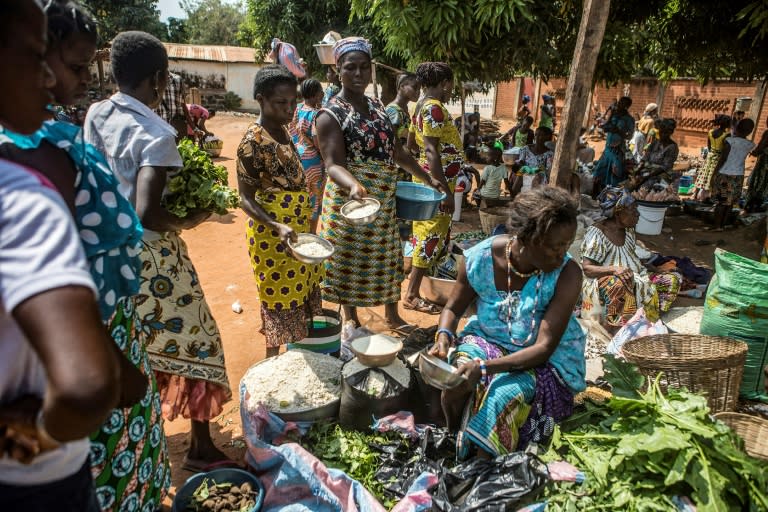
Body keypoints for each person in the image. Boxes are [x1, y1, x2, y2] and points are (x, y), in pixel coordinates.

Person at [0, 3, 170, 510]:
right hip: (48, 453)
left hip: (91, 333)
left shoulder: (58, 137)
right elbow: (87, 387)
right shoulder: (29, 174)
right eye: (48, 60)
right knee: (116, 469)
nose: (56, 79)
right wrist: (23, 442)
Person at [84, 31, 232, 471]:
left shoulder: (96, 114)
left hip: (104, 253)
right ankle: (200, 447)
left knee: (136, 343)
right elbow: (147, 212)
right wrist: (188, 221)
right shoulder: (156, 132)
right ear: (160, 79)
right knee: (199, 342)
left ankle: (139, 440)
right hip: (151, 258)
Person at [429, 187, 585, 459]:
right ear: (525, 239)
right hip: (488, 341)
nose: (562, 254)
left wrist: (485, 367)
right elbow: (453, 308)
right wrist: (444, 336)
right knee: (457, 377)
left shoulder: (568, 274)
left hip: (545, 361)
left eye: (566, 245)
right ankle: (454, 437)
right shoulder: (479, 259)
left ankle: (481, 468)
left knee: (504, 394)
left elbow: (544, 348)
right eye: (554, 247)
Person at [315, 38, 441, 329]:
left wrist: (425, 176)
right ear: (338, 69)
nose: (358, 74)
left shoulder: (377, 108)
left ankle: (393, 316)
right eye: (350, 68)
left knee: (386, 258)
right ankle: (351, 319)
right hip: (350, 202)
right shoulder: (330, 114)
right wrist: (354, 186)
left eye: (363, 67)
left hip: (382, 201)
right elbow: (333, 164)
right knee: (349, 260)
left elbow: (396, 151)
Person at [237, 65, 324, 357]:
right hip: (273, 239)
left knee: (298, 296)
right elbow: (245, 198)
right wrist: (276, 225)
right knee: (278, 304)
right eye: (280, 103)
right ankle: (271, 370)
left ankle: (291, 361)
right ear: (260, 100)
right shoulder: (253, 142)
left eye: (293, 103)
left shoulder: (285, 132)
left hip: (296, 235)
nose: (289, 109)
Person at [404, 61, 463, 315]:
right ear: (445, 83)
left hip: (428, 181)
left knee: (425, 233)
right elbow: (429, 150)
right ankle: (412, 294)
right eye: (450, 85)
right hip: (437, 185)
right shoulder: (434, 109)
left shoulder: (419, 107)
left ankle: (430, 286)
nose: (450, 90)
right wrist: (444, 191)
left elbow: (411, 144)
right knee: (430, 236)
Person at [581, 188, 682, 330]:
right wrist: (614, 270)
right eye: (633, 209)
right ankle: (614, 327)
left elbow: (628, 258)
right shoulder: (598, 233)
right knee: (618, 284)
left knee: (671, 279)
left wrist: (655, 270)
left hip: (633, 278)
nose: (637, 214)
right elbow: (587, 269)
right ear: (618, 212)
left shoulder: (628, 231)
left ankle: (646, 318)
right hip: (605, 282)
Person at [291, 78, 326, 233]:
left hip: (296, 157)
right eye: (320, 91)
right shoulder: (316, 115)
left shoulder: (297, 109)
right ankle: (311, 233)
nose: (323, 94)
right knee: (314, 198)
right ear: (314, 94)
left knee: (301, 195)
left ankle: (299, 229)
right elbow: (317, 141)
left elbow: (290, 130)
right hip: (313, 162)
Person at [711, 118, 755, 230]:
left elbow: (723, 159)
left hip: (725, 174)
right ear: (750, 131)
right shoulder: (750, 144)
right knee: (729, 203)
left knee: (721, 203)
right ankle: (723, 225)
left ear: (737, 127)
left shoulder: (729, 141)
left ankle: (717, 226)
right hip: (738, 176)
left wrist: (714, 174)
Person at [591, 96, 635, 193]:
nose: (619, 104)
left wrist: (618, 131)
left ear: (627, 106)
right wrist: (608, 117)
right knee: (598, 172)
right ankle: (595, 197)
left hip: (617, 150)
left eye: (622, 103)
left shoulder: (629, 119)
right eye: (619, 102)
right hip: (608, 149)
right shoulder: (614, 115)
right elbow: (605, 126)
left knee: (615, 174)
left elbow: (630, 136)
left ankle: (612, 197)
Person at [632, 118, 680, 189]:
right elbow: (645, 157)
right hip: (647, 171)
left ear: (670, 133)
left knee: (646, 187)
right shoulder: (655, 143)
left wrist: (647, 176)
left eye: (665, 133)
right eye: (661, 132)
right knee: (631, 182)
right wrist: (638, 169)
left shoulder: (672, 147)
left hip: (661, 174)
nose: (662, 135)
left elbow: (665, 167)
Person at [693, 115, 731, 202]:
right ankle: (709, 198)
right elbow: (725, 152)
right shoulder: (726, 135)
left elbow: (709, 146)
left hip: (710, 157)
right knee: (713, 176)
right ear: (727, 124)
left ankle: (699, 196)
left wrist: (712, 153)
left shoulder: (710, 132)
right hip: (718, 158)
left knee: (706, 174)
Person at [509, 126, 554, 196]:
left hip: (540, 176)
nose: (537, 137)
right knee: (520, 174)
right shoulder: (525, 149)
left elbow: (547, 170)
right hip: (525, 173)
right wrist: (520, 165)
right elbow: (520, 163)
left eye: (541, 135)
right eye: (536, 134)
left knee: (538, 177)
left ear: (547, 137)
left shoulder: (549, 154)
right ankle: (514, 195)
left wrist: (536, 171)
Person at [155, 71, 194, 143]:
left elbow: (183, 105)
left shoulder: (178, 80)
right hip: (158, 130)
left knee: (181, 152)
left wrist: (194, 129)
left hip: (178, 129)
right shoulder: (149, 80)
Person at [743, 118, 768, 213]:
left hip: (764, 164)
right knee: (764, 186)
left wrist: (754, 153)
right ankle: (757, 206)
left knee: (757, 184)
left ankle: (750, 207)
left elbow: (761, 146)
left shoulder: (767, 133)